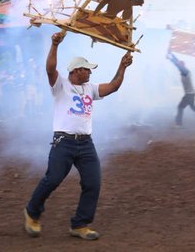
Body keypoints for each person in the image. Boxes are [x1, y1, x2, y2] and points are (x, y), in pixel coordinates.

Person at [24, 31, 133, 240]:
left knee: (93, 182)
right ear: (75, 71)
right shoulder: (61, 85)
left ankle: (80, 224)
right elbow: (50, 68)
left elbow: (113, 87)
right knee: (53, 179)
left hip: (86, 143)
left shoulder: (89, 88)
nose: (90, 73)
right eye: (86, 70)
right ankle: (32, 211)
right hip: (63, 141)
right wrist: (55, 45)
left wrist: (122, 66)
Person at [167, 51, 195, 126]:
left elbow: (177, 65)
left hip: (189, 94)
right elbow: (178, 63)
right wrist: (171, 54)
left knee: (180, 107)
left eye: (180, 65)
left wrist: (171, 59)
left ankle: (178, 124)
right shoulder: (185, 71)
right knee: (193, 107)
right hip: (191, 93)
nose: (178, 65)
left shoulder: (185, 71)